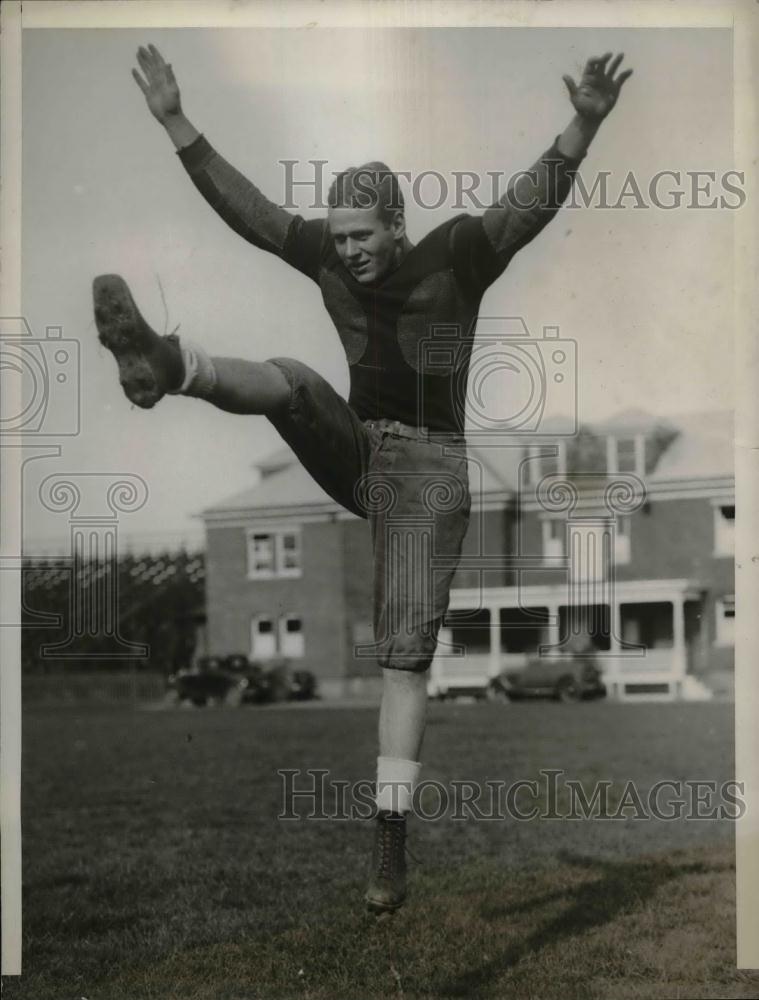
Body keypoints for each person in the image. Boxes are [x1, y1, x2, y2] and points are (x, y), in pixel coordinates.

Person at [94, 44, 632, 913]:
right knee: (292, 380)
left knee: (402, 661)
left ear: (396, 227)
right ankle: (167, 363)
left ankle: (388, 835)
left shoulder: (458, 255)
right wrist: (175, 123)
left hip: (428, 473)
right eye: (338, 239)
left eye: (362, 238)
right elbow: (254, 213)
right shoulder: (326, 257)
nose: (348, 254)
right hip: (362, 450)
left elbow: (527, 207)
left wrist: (582, 125)